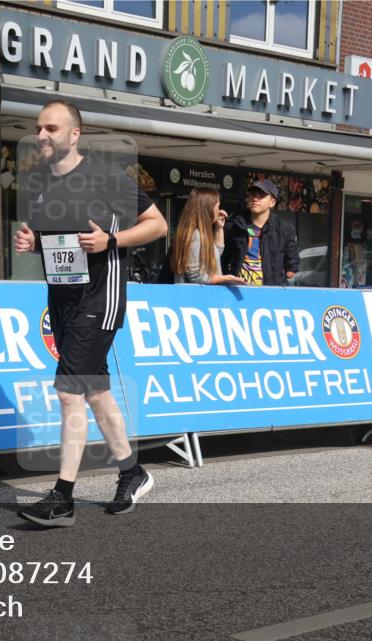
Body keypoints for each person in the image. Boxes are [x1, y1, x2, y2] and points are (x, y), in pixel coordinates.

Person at [13, 100, 168, 527]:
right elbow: (55, 238)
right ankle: (132, 473)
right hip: (62, 299)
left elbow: (158, 225)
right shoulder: (42, 182)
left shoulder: (104, 177)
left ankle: (62, 498)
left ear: (74, 135)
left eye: (50, 128)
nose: (41, 135)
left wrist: (111, 241)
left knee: (68, 390)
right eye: (38, 128)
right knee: (95, 391)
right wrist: (33, 243)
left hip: (100, 298)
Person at [220, 179, 299, 285]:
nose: (255, 199)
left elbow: (292, 267)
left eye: (261, 195)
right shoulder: (234, 225)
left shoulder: (285, 229)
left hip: (271, 295)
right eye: (252, 195)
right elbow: (220, 257)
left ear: (272, 202)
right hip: (237, 292)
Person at [169, 187, 246, 285]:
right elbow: (195, 276)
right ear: (208, 207)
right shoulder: (195, 235)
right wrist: (224, 279)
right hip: (196, 298)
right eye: (218, 206)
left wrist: (219, 227)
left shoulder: (197, 233)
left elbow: (216, 254)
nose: (219, 210)